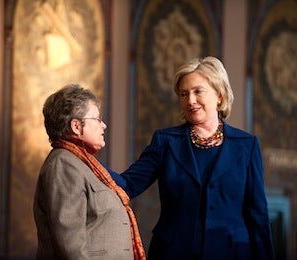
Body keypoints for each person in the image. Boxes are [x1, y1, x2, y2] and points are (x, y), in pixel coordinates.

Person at [110, 56, 275, 259]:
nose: (190, 100)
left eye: (198, 91)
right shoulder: (165, 142)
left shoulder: (246, 145)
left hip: (231, 253)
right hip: (173, 253)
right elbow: (128, 184)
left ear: (220, 95)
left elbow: (257, 214)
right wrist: (83, 155)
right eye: (184, 94)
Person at [33, 84, 146, 260]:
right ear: (77, 126)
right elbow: (69, 246)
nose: (104, 125)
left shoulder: (83, 164)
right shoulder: (64, 164)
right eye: (97, 119)